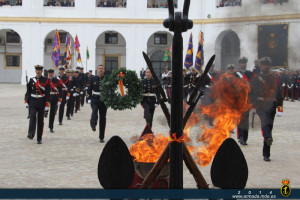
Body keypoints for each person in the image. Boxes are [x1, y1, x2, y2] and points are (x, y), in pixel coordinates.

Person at [249, 57, 283, 162]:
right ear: (260, 66)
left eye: (267, 64)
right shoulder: (255, 79)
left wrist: (280, 109)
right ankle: (268, 138)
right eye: (263, 64)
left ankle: (266, 153)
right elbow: (251, 94)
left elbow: (279, 95)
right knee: (264, 124)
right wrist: (253, 107)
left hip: (271, 105)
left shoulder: (275, 79)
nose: (265, 66)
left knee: (269, 126)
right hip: (260, 106)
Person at [24, 65, 50, 144]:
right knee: (32, 117)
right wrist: (26, 101)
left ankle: (39, 138)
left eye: (39, 70)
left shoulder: (46, 80)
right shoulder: (31, 80)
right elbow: (28, 92)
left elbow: (47, 93)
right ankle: (31, 133)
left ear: (42, 71)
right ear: (35, 71)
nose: (38, 72)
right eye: (37, 70)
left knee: (40, 120)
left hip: (41, 101)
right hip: (32, 101)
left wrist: (47, 105)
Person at [234, 57, 253, 146]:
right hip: (238, 99)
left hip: (247, 100)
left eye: (244, 63)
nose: (243, 64)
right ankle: (240, 136)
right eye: (241, 63)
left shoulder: (249, 74)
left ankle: (245, 138)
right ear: (239, 64)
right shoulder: (235, 74)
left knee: (245, 119)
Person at [87, 65, 107, 143]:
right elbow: (89, 89)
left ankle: (101, 136)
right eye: (99, 69)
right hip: (94, 98)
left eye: (102, 69)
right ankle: (93, 123)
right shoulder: (93, 79)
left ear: (104, 70)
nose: (101, 70)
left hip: (104, 100)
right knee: (94, 110)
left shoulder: (106, 79)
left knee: (103, 118)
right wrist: (88, 98)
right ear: (97, 70)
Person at [47, 69, 62, 133]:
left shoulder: (57, 81)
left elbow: (60, 91)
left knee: (52, 113)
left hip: (54, 97)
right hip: (47, 98)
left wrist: (59, 99)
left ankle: (51, 126)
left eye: (52, 73)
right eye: (49, 73)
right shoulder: (45, 80)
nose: (51, 74)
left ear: (53, 74)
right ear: (48, 74)